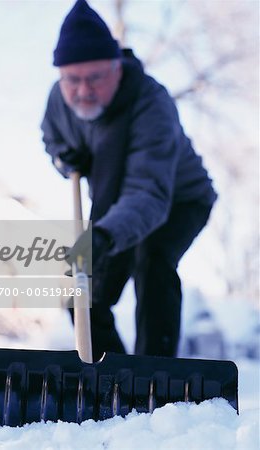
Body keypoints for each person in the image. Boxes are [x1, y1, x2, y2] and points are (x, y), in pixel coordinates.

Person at [41, 0, 217, 362]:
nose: (83, 90)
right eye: (72, 79)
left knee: (152, 262)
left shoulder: (151, 104)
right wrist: (64, 157)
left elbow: (149, 195)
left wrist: (102, 237)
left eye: (95, 78)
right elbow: (52, 139)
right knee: (83, 292)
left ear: (117, 68)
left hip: (179, 200)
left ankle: (155, 375)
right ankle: (117, 378)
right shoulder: (60, 101)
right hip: (113, 206)